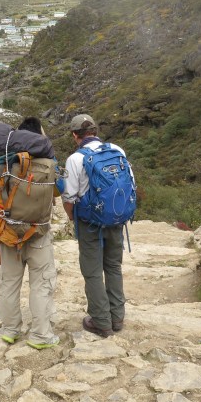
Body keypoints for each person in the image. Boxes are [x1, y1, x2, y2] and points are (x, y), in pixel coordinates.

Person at [0, 117, 60, 350]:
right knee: (41, 283)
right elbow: (58, 191)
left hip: (8, 233)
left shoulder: (4, 158)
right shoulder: (49, 160)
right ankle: (41, 335)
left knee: (9, 282)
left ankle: (10, 330)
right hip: (38, 232)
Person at [62, 114, 128, 338]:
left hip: (89, 222)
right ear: (95, 132)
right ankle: (117, 317)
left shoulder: (75, 159)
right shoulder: (117, 150)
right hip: (116, 217)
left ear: (75, 135)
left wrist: (72, 218)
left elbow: (69, 197)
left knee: (92, 271)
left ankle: (101, 322)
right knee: (113, 266)